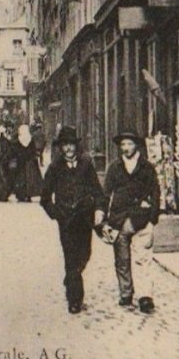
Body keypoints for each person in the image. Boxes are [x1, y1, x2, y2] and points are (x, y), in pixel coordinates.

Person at [40, 126, 105, 314]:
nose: (68, 149)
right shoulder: (54, 167)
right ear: (60, 148)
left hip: (85, 219)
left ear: (76, 146)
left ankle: (70, 278)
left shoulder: (86, 164)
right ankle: (75, 300)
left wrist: (99, 209)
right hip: (66, 221)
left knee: (85, 254)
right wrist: (57, 213)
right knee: (71, 257)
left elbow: (97, 191)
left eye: (71, 145)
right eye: (64, 145)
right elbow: (45, 199)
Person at [100, 129, 160, 313]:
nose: (126, 148)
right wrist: (102, 215)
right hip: (118, 220)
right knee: (122, 259)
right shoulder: (114, 168)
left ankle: (145, 297)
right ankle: (126, 292)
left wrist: (153, 218)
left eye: (130, 144)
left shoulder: (146, 168)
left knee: (142, 258)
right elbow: (105, 194)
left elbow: (156, 193)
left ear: (136, 146)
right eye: (123, 145)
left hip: (141, 220)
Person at [13, 124, 43, 202]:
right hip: (30, 162)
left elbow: (15, 151)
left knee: (21, 179)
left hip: (21, 163)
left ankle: (21, 195)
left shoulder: (18, 141)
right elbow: (33, 151)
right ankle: (29, 195)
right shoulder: (31, 140)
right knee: (30, 179)